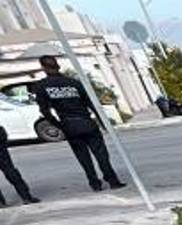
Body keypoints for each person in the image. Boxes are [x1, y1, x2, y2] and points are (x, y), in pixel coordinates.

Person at [34, 56, 125, 192]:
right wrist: (103, 122)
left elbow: (44, 110)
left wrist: (58, 125)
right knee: (101, 154)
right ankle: (112, 180)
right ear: (57, 65)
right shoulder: (74, 83)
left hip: (69, 125)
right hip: (86, 122)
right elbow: (91, 103)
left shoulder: (42, 86)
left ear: (43, 68)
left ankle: (95, 183)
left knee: (83, 157)